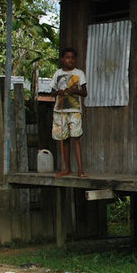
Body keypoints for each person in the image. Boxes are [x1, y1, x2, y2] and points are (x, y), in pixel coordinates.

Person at [52, 47, 87, 177]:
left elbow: (84, 92)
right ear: (63, 59)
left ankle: (80, 170)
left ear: (75, 59)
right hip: (60, 110)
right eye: (67, 58)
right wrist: (58, 92)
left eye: (72, 58)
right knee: (64, 139)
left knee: (76, 138)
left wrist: (74, 91)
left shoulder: (79, 73)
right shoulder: (57, 73)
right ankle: (67, 168)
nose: (70, 60)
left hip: (75, 110)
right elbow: (52, 92)